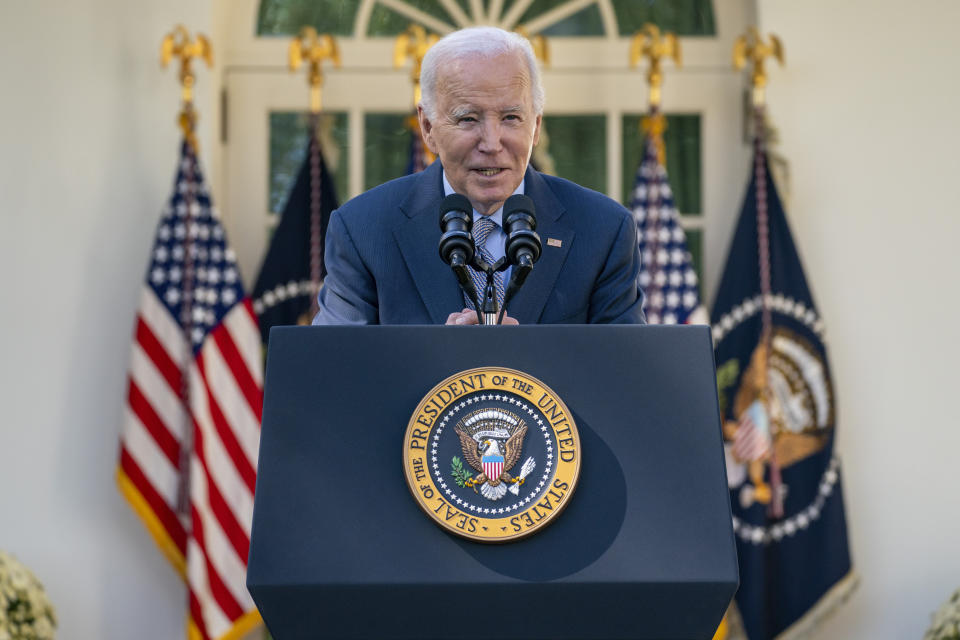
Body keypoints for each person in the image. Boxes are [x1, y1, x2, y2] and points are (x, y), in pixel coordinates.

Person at [312, 26, 645, 326]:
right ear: (428, 128)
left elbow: (625, 377)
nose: (491, 143)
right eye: (468, 119)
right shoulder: (363, 230)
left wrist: (532, 359)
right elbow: (334, 370)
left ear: (536, 126)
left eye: (512, 117)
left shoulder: (603, 230)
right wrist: (444, 363)